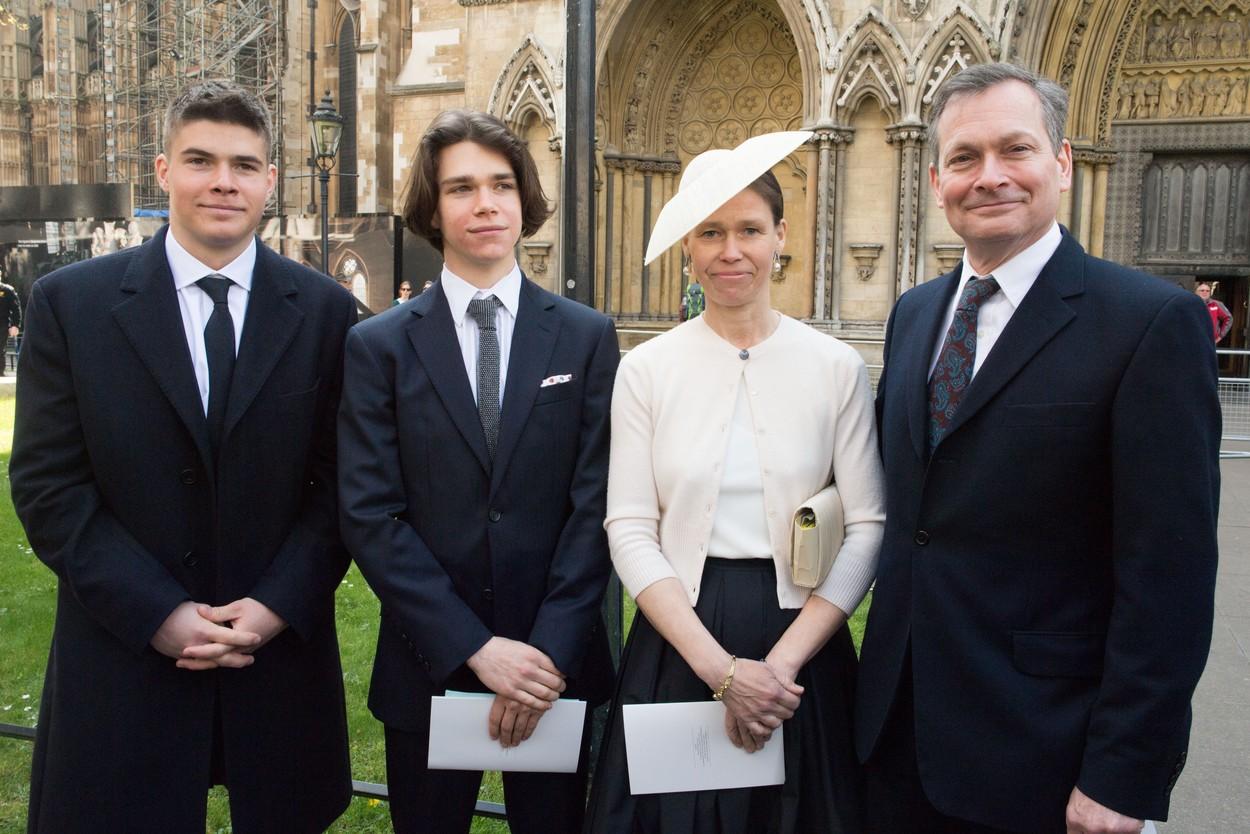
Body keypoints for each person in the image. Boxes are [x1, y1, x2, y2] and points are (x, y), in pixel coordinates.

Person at [855, 62, 1220, 834]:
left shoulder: (1148, 324)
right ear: (933, 177)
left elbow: (1170, 577)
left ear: (1060, 162)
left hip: (1045, 752)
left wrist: (1125, 775)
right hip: (894, 737)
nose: (989, 177)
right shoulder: (915, 315)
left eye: (1014, 150)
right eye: (963, 158)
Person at [10, 80, 356, 833]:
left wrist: (274, 608)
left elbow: (340, 488)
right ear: (163, 173)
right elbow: (47, 486)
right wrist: (157, 611)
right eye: (200, 160)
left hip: (277, 666)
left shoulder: (327, 312)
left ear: (271, 181)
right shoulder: (72, 306)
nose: (223, 181)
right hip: (125, 661)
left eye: (243, 164)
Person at [585, 131, 885, 834]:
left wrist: (774, 670)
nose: (730, 251)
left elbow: (869, 524)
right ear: (689, 247)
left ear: (781, 236)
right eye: (711, 232)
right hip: (681, 633)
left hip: (801, 641)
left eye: (750, 229)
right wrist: (721, 670)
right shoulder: (648, 370)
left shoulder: (834, 366)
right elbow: (628, 525)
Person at [337, 109, 619, 834]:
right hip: (429, 666)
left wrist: (546, 654)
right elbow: (370, 514)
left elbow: (597, 507)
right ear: (433, 207)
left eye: (501, 184)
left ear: (525, 198)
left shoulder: (586, 337)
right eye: (461, 187)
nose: (485, 203)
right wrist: (475, 648)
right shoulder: (380, 347)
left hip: (554, 669)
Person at [0, 267, 20, 376]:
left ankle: (0, 374)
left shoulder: (7, 290)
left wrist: (15, 325)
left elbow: (16, 308)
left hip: (2, 324)